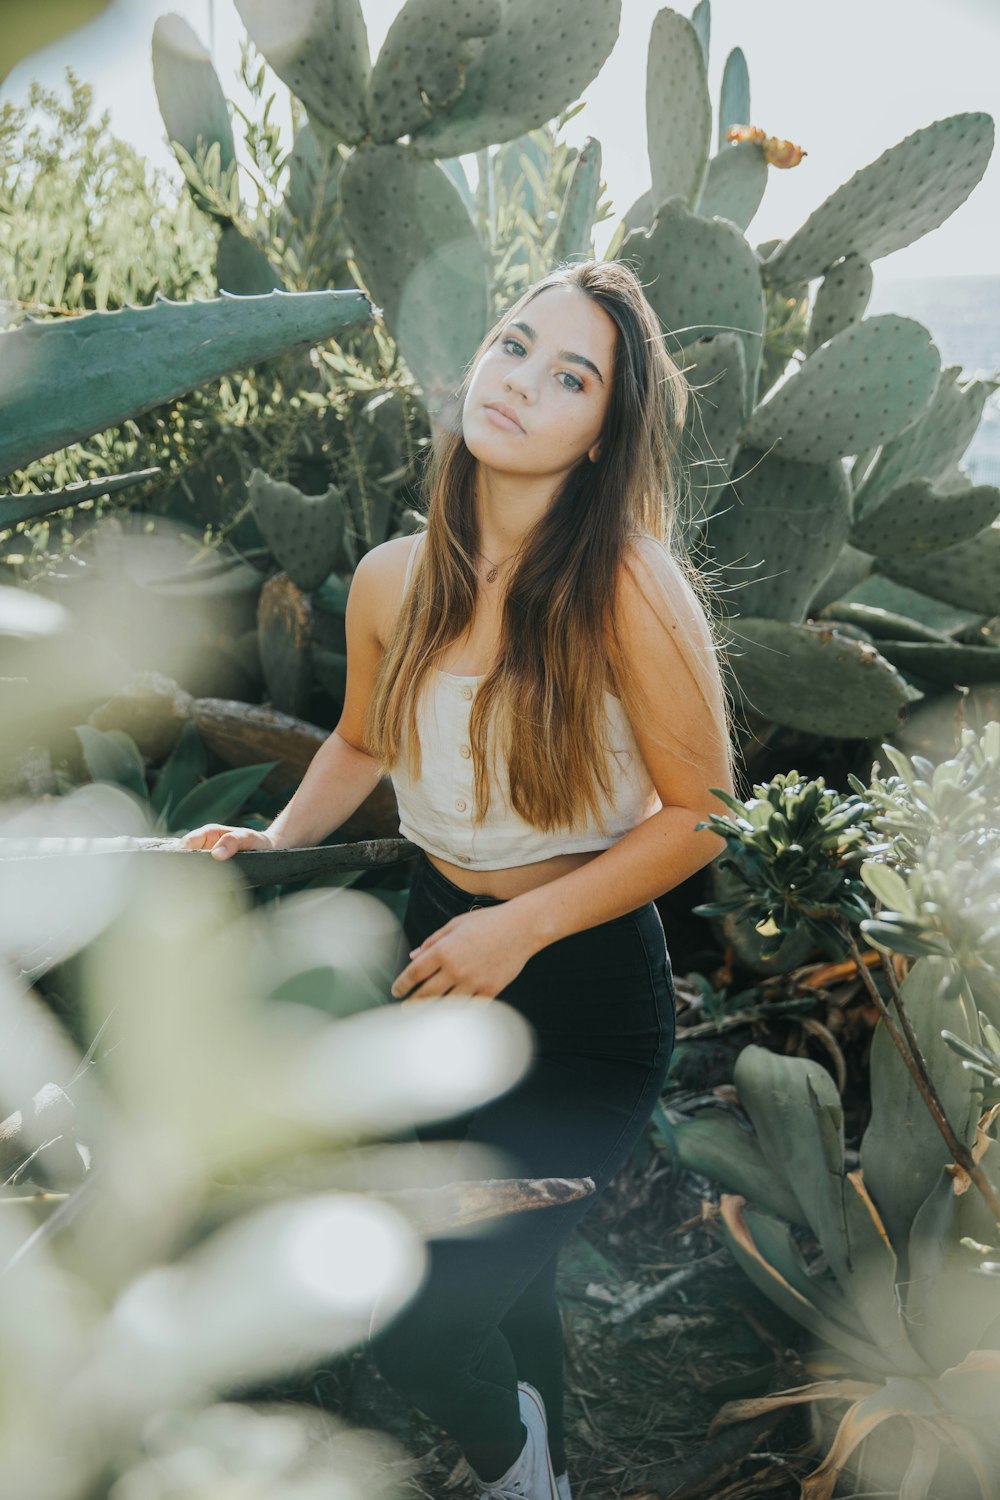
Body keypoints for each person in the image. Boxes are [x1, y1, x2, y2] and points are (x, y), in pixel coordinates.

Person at [179, 259, 741, 1499]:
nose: (522, 382)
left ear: (603, 436)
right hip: (441, 963)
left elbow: (705, 816)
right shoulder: (394, 578)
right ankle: (539, 1476)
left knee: (423, 1310)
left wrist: (522, 931)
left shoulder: (630, 588)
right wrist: (274, 842)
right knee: (505, 1278)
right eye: (512, 344)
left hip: (585, 991)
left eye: (569, 376)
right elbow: (363, 742)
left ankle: (510, 1463)